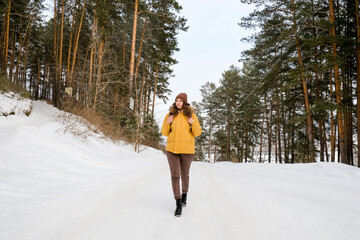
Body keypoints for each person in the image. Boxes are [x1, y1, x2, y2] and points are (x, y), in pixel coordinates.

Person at [161, 93, 202, 217]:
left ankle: (184, 195)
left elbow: (197, 132)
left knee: (185, 175)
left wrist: (192, 122)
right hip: (172, 150)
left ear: (184, 102)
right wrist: (168, 122)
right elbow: (164, 132)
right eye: (176, 100)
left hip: (187, 150)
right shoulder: (170, 115)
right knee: (175, 175)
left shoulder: (191, 115)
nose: (178, 102)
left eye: (181, 100)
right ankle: (178, 202)